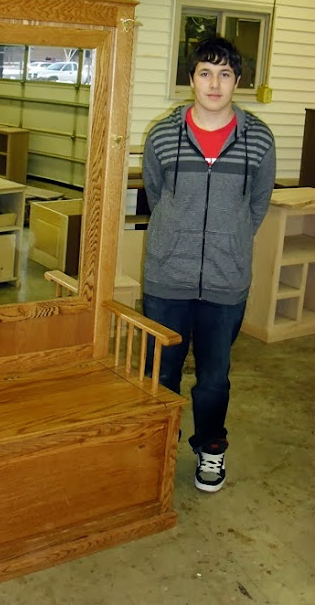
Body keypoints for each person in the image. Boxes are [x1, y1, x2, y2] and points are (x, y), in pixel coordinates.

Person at [142, 36, 276, 492]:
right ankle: (158, 445)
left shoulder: (259, 138)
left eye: (224, 74)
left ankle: (211, 448)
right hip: (167, 278)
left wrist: (229, 240)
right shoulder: (162, 135)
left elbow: (257, 205)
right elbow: (157, 194)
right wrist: (176, 238)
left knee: (214, 378)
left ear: (237, 81)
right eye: (205, 73)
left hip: (225, 281)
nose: (214, 84)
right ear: (192, 79)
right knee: (162, 372)